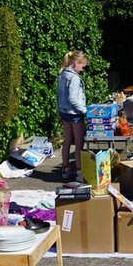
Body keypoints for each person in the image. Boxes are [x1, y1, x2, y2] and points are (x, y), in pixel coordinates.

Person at [57, 51, 88, 181]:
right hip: (75, 113)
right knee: (79, 143)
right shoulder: (74, 78)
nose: (82, 69)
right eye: (82, 66)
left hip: (64, 112)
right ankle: (79, 173)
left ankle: (65, 169)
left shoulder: (62, 74)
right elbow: (73, 98)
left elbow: (59, 95)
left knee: (67, 140)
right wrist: (85, 111)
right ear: (76, 63)